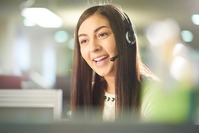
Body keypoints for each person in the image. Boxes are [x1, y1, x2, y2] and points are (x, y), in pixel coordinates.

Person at [70, 3, 157, 122]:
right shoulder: (88, 93)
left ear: (128, 39)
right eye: (84, 41)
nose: (93, 47)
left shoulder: (153, 94)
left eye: (102, 34)